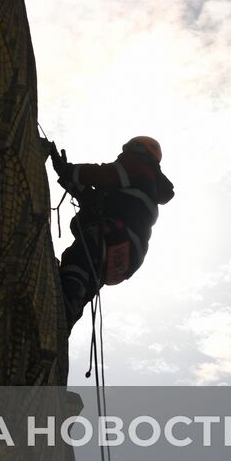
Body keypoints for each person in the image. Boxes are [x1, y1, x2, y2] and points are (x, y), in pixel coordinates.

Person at [41, 135, 175, 324]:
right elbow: (91, 198)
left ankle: (63, 302)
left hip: (114, 235)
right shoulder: (141, 185)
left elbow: (105, 174)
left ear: (137, 148)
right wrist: (67, 176)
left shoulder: (138, 166)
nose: (122, 154)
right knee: (88, 281)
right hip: (128, 255)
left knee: (77, 257)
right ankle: (64, 322)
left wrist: (69, 170)